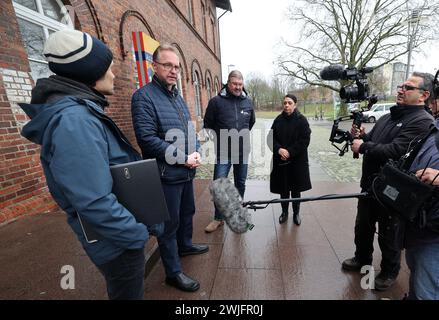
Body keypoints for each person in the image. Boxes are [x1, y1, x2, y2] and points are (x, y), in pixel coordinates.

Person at [19, 29, 163, 300]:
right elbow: (93, 200)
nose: (114, 74)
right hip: (117, 241)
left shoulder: (79, 113)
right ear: (89, 74)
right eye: (108, 68)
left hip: (116, 233)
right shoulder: (75, 122)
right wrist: (134, 234)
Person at [342, 72, 435, 291]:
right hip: (370, 184)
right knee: (362, 226)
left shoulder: (423, 121)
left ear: (424, 95)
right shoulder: (388, 117)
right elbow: (375, 141)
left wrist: (363, 147)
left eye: (408, 87)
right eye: (401, 86)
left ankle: (389, 271)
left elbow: (397, 150)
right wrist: (363, 136)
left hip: (393, 190)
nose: (401, 89)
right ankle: (361, 258)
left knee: (389, 232)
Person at [131, 44, 208, 292]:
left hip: (186, 171)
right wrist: (182, 157)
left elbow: (190, 129)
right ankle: (173, 273)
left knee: (188, 212)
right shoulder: (143, 97)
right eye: (167, 65)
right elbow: (147, 139)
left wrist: (196, 150)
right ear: (154, 66)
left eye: (176, 66)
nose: (173, 70)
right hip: (166, 175)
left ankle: (184, 245)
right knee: (168, 225)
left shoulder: (178, 97)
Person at [203, 70, 256, 233]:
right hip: (224, 152)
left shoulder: (248, 102)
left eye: (240, 84)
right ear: (228, 83)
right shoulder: (216, 102)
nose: (238, 87)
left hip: (242, 151)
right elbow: (208, 124)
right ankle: (218, 218)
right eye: (235, 84)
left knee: (240, 183)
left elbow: (251, 123)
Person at [268, 94, 312, 225]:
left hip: (296, 162)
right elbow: (270, 138)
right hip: (281, 161)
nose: (286, 105)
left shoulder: (302, 120)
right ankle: (284, 212)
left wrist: (290, 152)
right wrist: (279, 149)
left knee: (296, 190)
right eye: (285, 103)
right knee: (283, 189)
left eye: (290, 103)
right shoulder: (278, 120)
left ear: (295, 104)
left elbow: (304, 140)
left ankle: (296, 213)